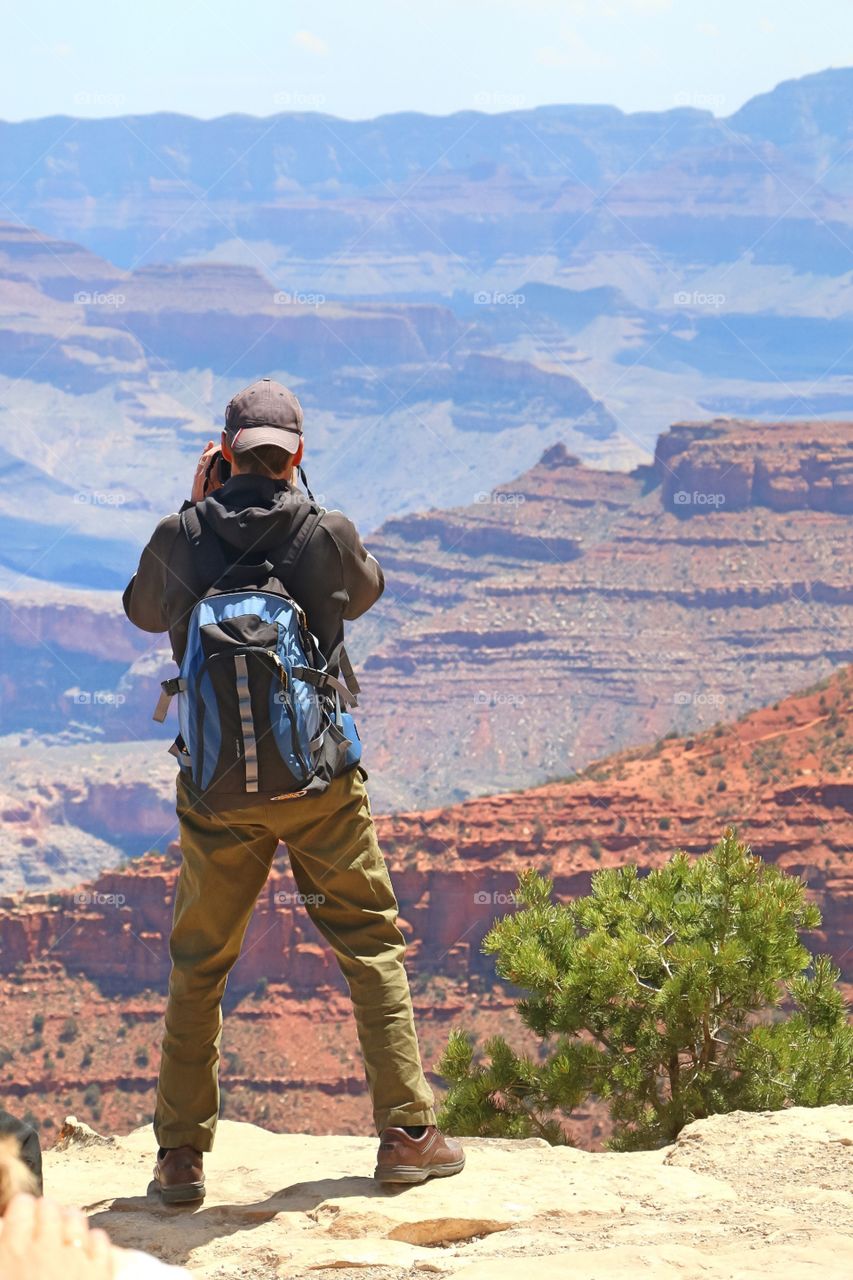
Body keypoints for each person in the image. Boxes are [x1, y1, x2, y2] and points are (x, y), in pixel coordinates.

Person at [122, 377, 464, 1202]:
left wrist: (192, 506)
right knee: (369, 946)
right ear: (296, 456)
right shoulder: (322, 531)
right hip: (320, 785)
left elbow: (139, 612)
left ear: (223, 452)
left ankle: (179, 1158)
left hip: (215, 793)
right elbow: (368, 590)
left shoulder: (182, 531)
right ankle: (408, 1135)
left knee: (199, 964)